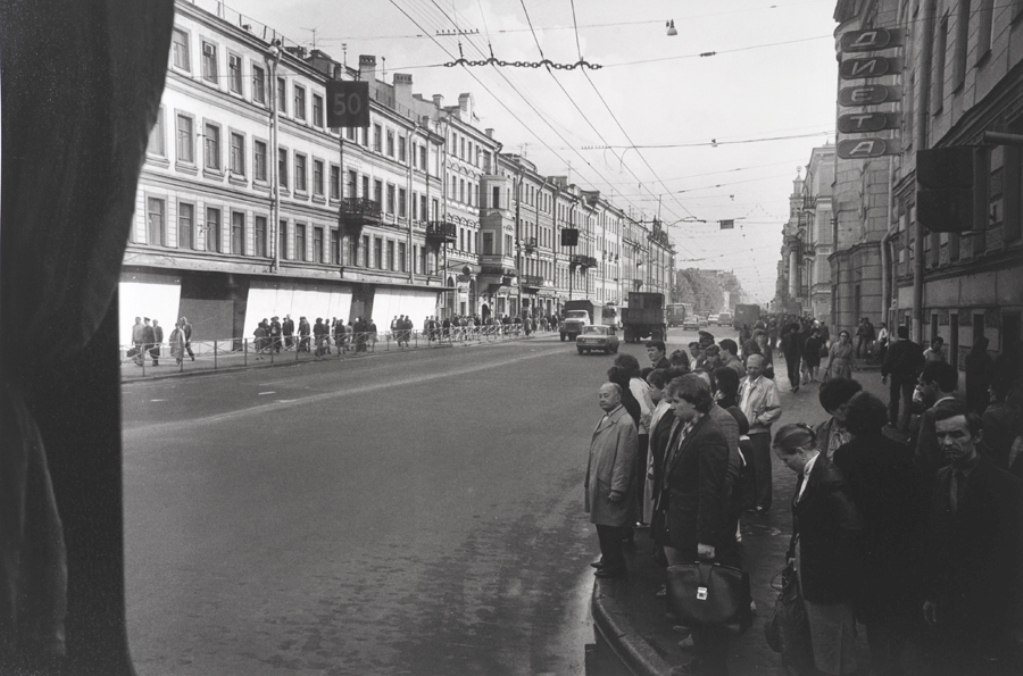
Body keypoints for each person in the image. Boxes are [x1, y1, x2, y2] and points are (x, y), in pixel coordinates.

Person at [922, 404, 1020, 672]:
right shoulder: (941, 478)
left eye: (957, 434)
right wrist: (933, 593)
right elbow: (937, 541)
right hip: (950, 603)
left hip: (990, 607)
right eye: (941, 435)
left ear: (976, 437)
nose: (947, 442)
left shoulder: (1006, 486)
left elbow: (1013, 556)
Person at [832, 392, 920, 676]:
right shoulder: (901, 451)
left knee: (874, 614)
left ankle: (880, 663)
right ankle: (896, 661)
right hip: (898, 542)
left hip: (865, 544)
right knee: (897, 606)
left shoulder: (844, 455)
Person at [773, 424, 864, 676]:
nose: (784, 465)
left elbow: (851, 528)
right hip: (815, 565)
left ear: (800, 451)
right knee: (826, 630)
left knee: (828, 631)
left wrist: (830, 567)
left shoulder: (827, 479)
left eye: (786, 459)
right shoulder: (811, 473)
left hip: (824, 573)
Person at [661, 375, 734, 676]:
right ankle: (702, 660)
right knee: (696, 598)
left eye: (677, 401)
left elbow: (710, 491)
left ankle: (710, 665)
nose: (672, 406)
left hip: (697, 533)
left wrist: (706, 538)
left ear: (694, 402)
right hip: (684, 526)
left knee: (704, 600)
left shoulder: (709, 435)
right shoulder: (689, 427)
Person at [585, 383, 638, 579]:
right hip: (603, 481)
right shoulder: (609, 417)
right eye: (600, 396)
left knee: (611, 528)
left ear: (618, 397)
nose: (602, 399)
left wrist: (618, 488)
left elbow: (625, 459)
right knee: (603, 525)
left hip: (610, 485)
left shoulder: (624, 423)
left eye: (606, 395)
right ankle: (608, 559)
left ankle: (615, 566)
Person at [738, 354, 782, 514]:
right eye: (749, 367)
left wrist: (759, 420)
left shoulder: (768, 385)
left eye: (755, 368)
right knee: (746, 467)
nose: (751, 371)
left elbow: (776, 409)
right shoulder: (742, 383)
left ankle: (763, 501)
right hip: (742, 432)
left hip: (758, 432)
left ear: (762, 368)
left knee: (761, 468)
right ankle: (749, 499)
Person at [915, 361, 960, 477]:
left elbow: (923, 456)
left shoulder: (931, 415)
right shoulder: (965, 409)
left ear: (933, 385)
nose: (920, 389)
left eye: (923, 385)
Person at [881, 325, 925, 432]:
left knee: (894, 398)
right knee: (908, 400)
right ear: (907, 334)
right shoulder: (914, 347)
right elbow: (921, 361)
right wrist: (917, 374)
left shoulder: (894, 346)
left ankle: (892, 421)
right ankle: (905, 423)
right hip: (909, 376)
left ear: (898, 334)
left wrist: (884, 374)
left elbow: (887, 361)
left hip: (896, 375)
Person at [813, 378, 862, 459]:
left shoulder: (867, 431)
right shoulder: (817, 432)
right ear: (830, 409)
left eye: (852, 406)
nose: (848, 411)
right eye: (842, 408)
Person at [964, 337, 993, 415]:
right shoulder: (986, 357)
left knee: (971, 404)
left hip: (970, 383)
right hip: (982, 385)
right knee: (981, 405)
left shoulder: (969, 356)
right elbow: (988, 372)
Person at [780, 320, 803, 392]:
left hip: (796, 356)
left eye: (795, 329)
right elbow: (781, 345)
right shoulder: (786, 336)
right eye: (792, 329)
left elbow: (802, 346)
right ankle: (793, 385)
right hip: (788, 356)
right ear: (790, 329)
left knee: (796, 371)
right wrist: (781, 352)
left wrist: (803, 355)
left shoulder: (799, 337)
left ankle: (796, 385)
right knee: (790, 372)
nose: (793, 331)